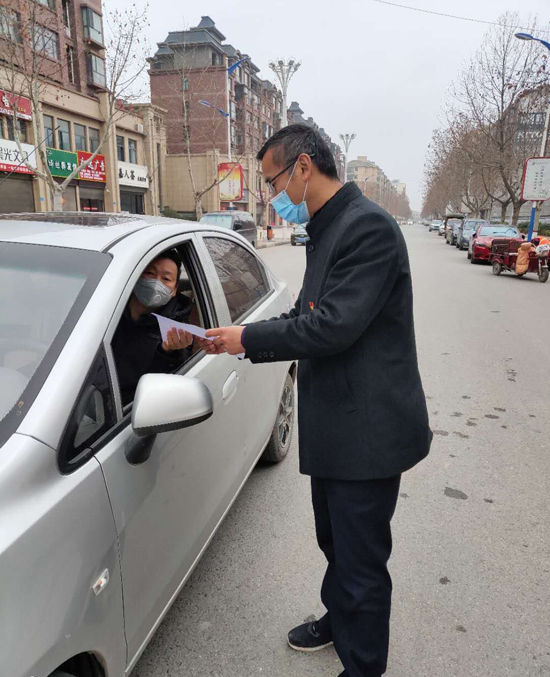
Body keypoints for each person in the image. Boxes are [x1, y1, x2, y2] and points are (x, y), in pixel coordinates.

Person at [199, 124, 432, 677]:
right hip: (336, 425)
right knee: (335, 542)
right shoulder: (327, 229)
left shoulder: (367, 228)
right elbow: (307, 311)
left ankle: (363, 665)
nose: (271, 196)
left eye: (272, 181)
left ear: (303, 167)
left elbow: (332, 327)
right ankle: (338, 618)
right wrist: (240, 336)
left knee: (361, 562)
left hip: (367, 434)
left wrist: (248, 339)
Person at [112, 250, 194, 405]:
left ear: (174, 290)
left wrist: (167, 352)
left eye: (166, 278)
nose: (156, 282)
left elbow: (169, 385)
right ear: (136, 276)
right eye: (149, 273)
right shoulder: (107, 309)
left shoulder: (177, 330)